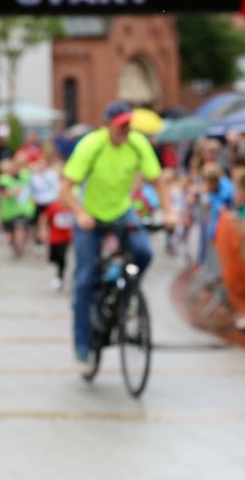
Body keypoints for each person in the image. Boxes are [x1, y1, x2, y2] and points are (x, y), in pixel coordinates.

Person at [59, 101, 174, 375]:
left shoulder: (137, 144)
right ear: (107, 125)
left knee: (144, 252)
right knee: (85, 279)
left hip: (122, 211)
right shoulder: (92, 145)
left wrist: (170, 212)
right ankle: (83, 345)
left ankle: (126, 296)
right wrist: (80, 214)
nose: (126, 129)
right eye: (121, 125)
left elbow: (158, 181)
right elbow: (64, 190)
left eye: (128, 124)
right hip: (91, 214)